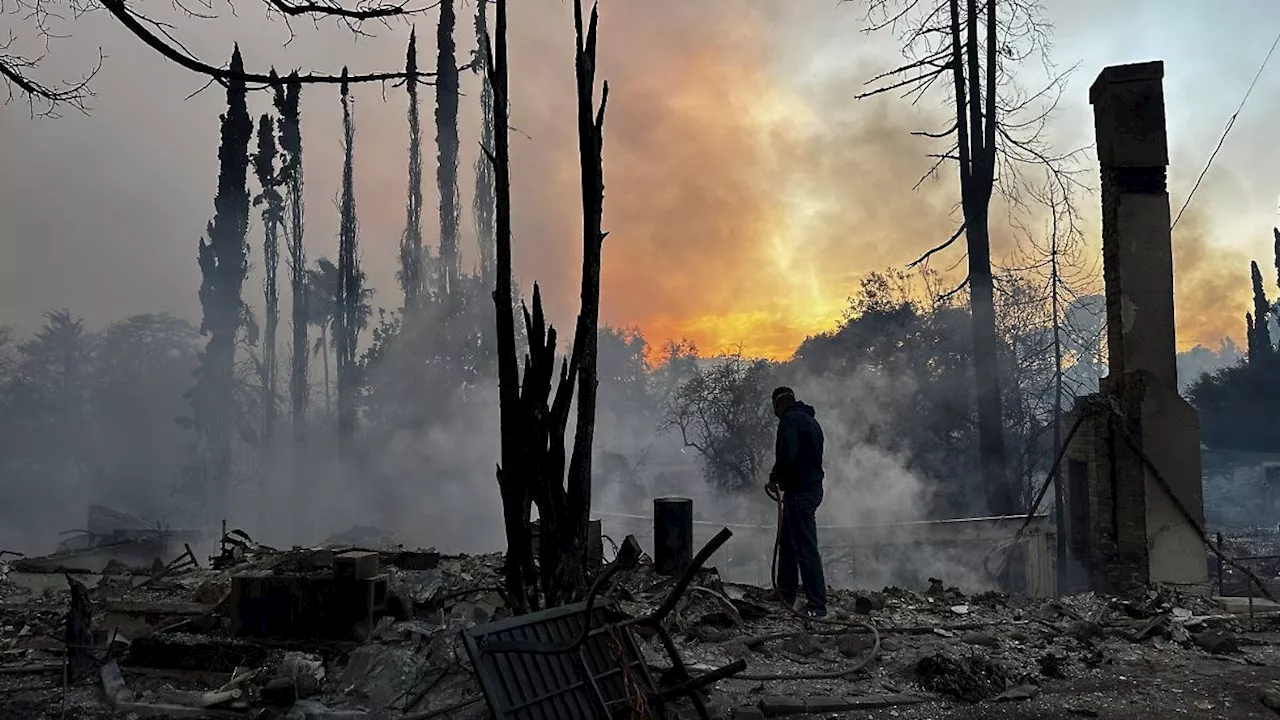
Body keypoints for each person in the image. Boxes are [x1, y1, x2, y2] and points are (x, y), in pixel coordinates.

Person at [766, 386, 827, 618]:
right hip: (810, 489)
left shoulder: (789, 421)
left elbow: (786, 456)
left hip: (800, 492)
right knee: (789, 544)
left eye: (774, 407)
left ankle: (817, 606)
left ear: (778, 404)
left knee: (805, 548)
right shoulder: (812, 422)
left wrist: (774, 479)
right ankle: (786, 591)